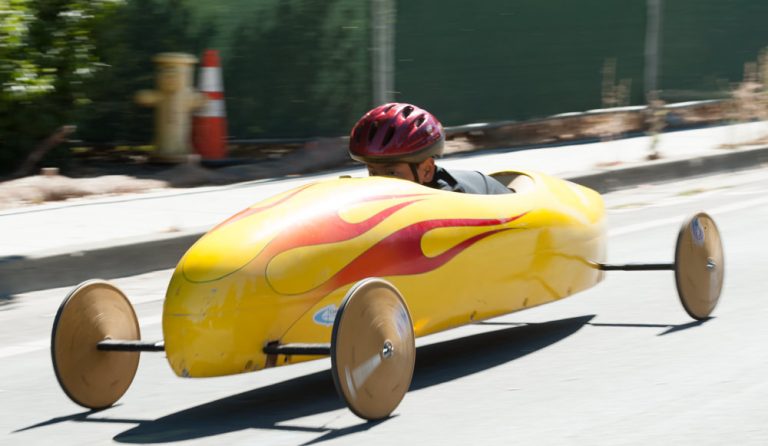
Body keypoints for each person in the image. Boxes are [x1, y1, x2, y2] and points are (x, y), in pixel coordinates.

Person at [348, 103, 510, 194]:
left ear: (426, 171)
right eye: (373, 173)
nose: (379, 183)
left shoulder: (452, 201)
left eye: (391, 173)